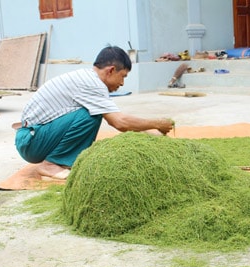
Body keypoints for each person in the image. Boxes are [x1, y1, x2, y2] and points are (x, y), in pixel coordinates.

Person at [15, 45, 174, 180]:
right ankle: (51, 165)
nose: (122, 83)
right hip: (31, 141)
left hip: (34, 137)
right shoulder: (93, 84)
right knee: (90, 115)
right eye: (122, 76)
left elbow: (116, 117)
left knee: (94, 112)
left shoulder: (87, 78)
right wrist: (157, 123)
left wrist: (151, 132)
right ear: (111, 70)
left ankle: (58, 160)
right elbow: (119, 122)